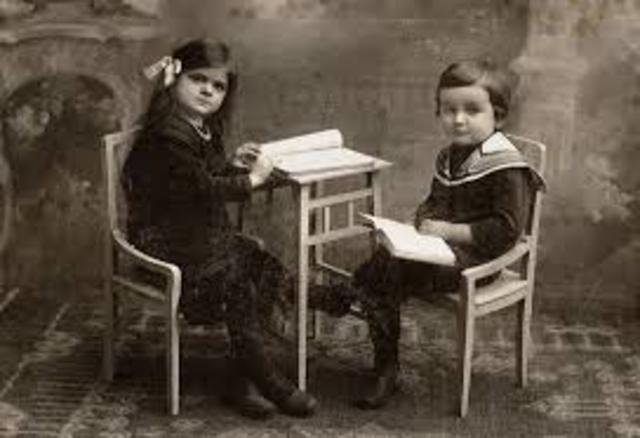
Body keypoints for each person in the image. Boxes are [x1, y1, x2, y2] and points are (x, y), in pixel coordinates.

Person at [311, 59, 544, 409]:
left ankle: (361, 328)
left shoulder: (507, 168)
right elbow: (434, 201)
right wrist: (423, 220)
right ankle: (379, 352)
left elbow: (506, 231)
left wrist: (448, 230)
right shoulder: (450, 156)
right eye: (449, 110)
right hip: (441, 251)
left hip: (478, 261)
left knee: (388, 271)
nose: (459, 119)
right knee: (388, 260)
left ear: (498, 117)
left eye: (472, 110)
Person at [122, 39, 316, 419]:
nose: (208, 90)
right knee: (237, 282)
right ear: (174, 79)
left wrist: (233, 163)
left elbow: (201, 176)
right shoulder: (166, 134)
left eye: (218, 86)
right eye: (198, 79)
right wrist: (253, 180)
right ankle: (268, 381)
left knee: (261, 265)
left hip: (194, 237)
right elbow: (203, 189)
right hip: (162, 244)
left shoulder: (199, 127)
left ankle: (239, 376)